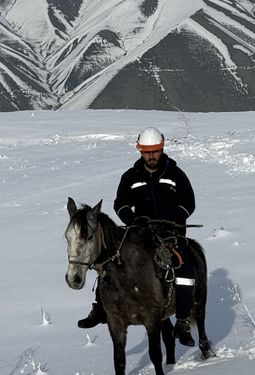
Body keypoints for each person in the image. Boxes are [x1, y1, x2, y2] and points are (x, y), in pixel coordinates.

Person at [77, 126, 197, 347]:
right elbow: (120, 203)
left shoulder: (176, 175)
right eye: (147, 151)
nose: (152, 156)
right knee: (110, 260)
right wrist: (132, 220)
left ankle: (181, 320)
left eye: (156, 151)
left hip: (171, 234)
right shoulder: (130, 177)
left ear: (162, 148)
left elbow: (188, 203)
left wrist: (173, 219)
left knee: (185, 269)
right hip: (139, 233)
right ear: (139, 150)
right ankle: (100, 308)